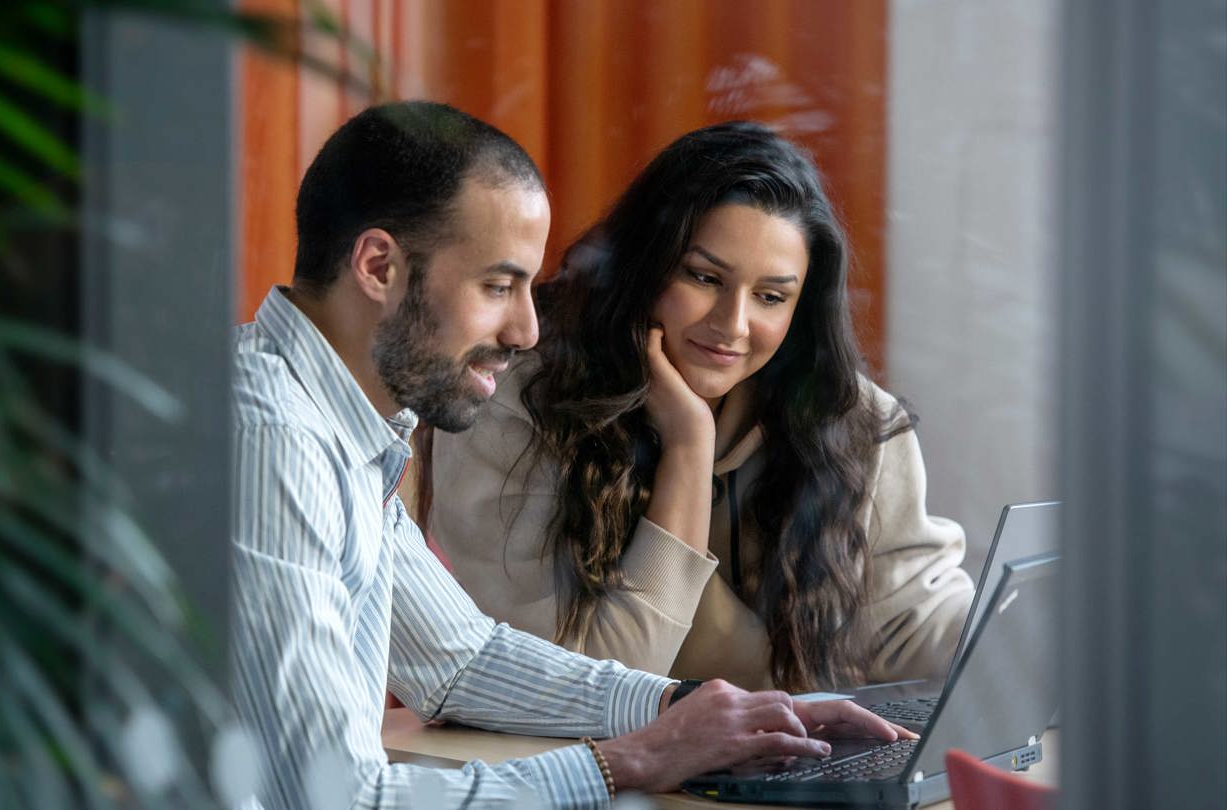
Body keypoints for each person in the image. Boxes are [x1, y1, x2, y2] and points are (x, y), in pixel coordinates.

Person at [229, 103, 907, 809]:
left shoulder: (338, 429)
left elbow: (461, 661)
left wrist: (704, 706)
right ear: (378, 267)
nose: (526, 329)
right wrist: (630, 762)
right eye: (498, 286)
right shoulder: (273, 442)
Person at [426, 121, 975, 694]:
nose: (732, 326)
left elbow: (912, 626)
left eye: (771, 297)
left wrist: (1038, 646)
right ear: (644, 266)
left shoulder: (846, 421)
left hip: (779, 762)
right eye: (705, 277)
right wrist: (688, 447)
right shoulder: (514, 402)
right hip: (572, 768)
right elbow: (587, 685)